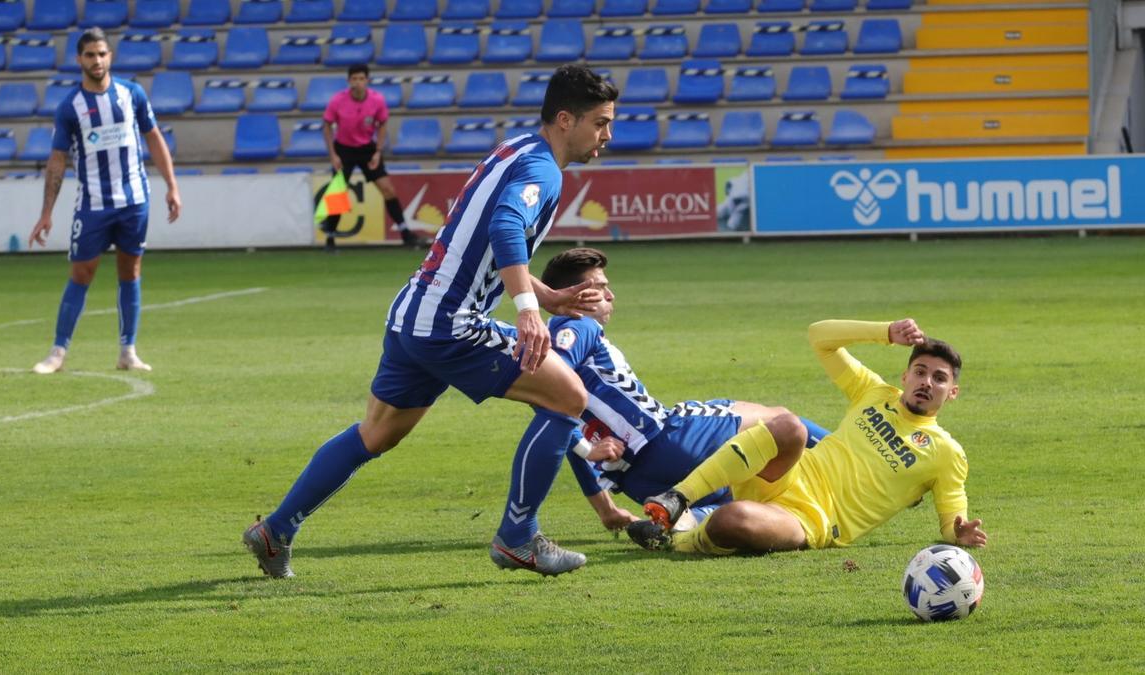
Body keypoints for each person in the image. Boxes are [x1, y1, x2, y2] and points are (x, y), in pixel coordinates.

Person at [243, 65, 619, 579]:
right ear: (564, 119)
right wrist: (528, 312)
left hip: (414, 314)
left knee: (375, 434)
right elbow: (506, 223)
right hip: (450, 323)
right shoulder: (543, 170)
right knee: (569, 396)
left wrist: (547, 294)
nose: (607, 136)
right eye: (599, 123)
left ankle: (276, 530)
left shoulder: (519, 149)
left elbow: (482, 244)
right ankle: (518, 537)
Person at [493, 248, 830, 569]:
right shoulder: (580, 326)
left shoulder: (559, 344)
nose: (611, 296)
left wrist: (606, 508)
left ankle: (679, 524)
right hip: (667, 438)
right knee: (781, 419)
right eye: (600, 287)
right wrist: (590, 449)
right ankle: (843, 448)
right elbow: (550, 377)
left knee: (731, 507)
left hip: (638, 483)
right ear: (575, 294)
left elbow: (556, 420)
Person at [626, 318, 988, 556]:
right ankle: (677, 499)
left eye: (939, 378)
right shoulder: (875, 393)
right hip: (790, 473)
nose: (927, 382)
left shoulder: (946, 453)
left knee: (731, 521)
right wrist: (885, 332)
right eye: (920, 372)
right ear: (905, 376)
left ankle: (677, 540)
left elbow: (950, 521)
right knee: (789, 425)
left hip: (810, 519)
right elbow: (820, 337)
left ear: (951, 392)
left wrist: (960, 534)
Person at [28, 27, 181, 375]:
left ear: (110, 56)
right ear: (79, 59)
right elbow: (57, 160)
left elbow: (154, 138)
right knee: (81, 273)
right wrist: (47, 212)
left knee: (132, 271)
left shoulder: (132, 94)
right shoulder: (71, 107)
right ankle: (57, 352)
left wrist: (172, 185)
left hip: (134, 201)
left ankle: (128, 350)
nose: (96, 61)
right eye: (89, 55)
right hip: (93, 204)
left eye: (102, 54)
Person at [322, 63, 429, 248]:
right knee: (338, 192)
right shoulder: (337, 101)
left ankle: (405, 232)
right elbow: (326, 126)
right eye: (354, 79)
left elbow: (383, 124)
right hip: (344, 149)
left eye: (361, 79)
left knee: (387, 189)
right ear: (349, 81)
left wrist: (378, 152)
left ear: (367, 81)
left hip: (367, 149)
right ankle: (330, 237)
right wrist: (333, 155)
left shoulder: (377, 100)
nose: (358, 82)